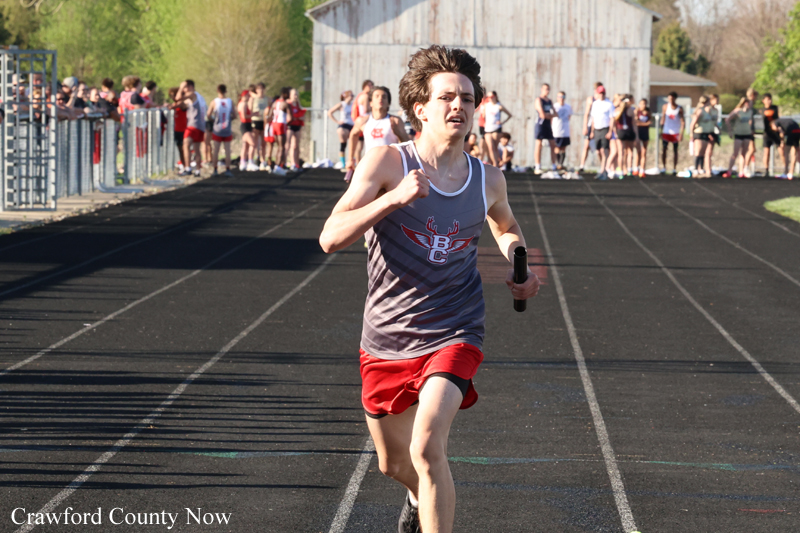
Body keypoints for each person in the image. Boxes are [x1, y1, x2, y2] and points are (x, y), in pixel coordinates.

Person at [318, 44, 540, 533]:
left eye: (466, 97)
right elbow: (330, 237)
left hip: (455, 329)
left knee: (426, 446)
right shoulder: (385, 164)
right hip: (386, 337)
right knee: (393, 464)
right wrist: (394, 198)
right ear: (420, 108)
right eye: (447, 97)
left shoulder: (488, 179)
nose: (458, 106)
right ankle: (420, 502)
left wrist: (519, 264)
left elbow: (505, 227)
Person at [346, 85, 409, 179]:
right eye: (377, 96)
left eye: (384, 97)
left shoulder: (395, 121)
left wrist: (399, 134)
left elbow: (407, 144)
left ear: (388, 103)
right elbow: (353, 135)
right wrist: (350, 159)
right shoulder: (363, 121)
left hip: (391, 168)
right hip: (370, 167)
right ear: (370, 102)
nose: (381, 99)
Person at [178, 80, 205, 177]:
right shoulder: (200, 96)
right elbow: (183, 105)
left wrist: (180, 88)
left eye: (185, 87)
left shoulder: (192, 94)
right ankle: (198, 170)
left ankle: (188, 168)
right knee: (197, 149)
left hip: (193, 125)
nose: (184, 90)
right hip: (201, 126)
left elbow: (178, 98)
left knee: (185, 145)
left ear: (189, 87)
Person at [724, 97, 755, 178]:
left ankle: (741, 172)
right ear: (745, 103)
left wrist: (751, 129)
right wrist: (730, 131)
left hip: (747, 134)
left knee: (743, 154)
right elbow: (727, 119)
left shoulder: (750, 112)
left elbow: (750, 121)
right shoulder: (738, 111)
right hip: (738, 134)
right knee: (735, 153)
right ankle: (729, 171)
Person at [207, 84, 234, 176]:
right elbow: (234, 115)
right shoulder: (230, 101)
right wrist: (229, 119)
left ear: (217, 91)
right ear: (226, 91)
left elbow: (208, 115)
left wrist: (214, 120)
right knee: (227, 150)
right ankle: (228, 169)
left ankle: (215, 170)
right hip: (227, 129)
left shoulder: (214, 102)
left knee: (216, 150)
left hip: (217, 129)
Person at [589, 86, 615, 180]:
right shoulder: (595, 104)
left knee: (604, 150)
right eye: (600, 93)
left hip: (605, 128)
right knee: (598, 151)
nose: (601, 95)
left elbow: (612, 118)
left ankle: (603, 171)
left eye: (603, 93)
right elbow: (593, 118)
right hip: (597, 129)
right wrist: (592, 131)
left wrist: (610, 131)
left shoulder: (609, 104)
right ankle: (602, 167)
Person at [482, 91, 511, 168]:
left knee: (495, 147)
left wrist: (502, 122)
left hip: (496, 129)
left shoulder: (499, 106)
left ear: (495, 96)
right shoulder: (486, 105)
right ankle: (494, 164)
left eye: (491, 97)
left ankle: (496, 164)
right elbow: (483, 116)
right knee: (490, 147)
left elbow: (509, 115)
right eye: (488, 97)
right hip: (488, 129)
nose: (490, 98)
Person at [327, 90, 356, 169]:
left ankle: (353, 161)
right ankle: (343, 163)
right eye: (351, 95)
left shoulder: (353, 105)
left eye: (353, 95)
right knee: (343, 144)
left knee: (353, 144)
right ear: (346, 96)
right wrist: (337, 121)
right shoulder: (342, 104)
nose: (352, 97)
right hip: (344, 125)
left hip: (352, 125)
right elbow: (330, 112)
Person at [267, 87, 292, 173]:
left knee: (278, 146)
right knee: (282, 147)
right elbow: (290, 118)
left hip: (274, 124)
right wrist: (287, 124)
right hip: (281, 124)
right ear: (285, 94)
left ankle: (277, 165)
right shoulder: (285, 104)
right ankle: (278, 166)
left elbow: (269, 116)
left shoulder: (274, 103)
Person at [579, 82, 603, 172]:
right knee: (586, 146)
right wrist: (585, 127)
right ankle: (582, 166)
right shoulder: (591, 99)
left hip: (599, 125)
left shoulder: (604, 99)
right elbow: (586, 114)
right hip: (590, 125)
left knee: (600, 148)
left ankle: (603, 166)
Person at [659, 92, 684, 174]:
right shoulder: (665, 107)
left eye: (672, 98)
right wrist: (661, 131)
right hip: (666, 131)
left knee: (675, 150)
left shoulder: (679, 108)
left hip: (675, 132)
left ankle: (674, 168)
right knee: (664, 149)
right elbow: (663, 118)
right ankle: (664, 167)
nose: (670, 100)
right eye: (669, 98)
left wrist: (681, 133)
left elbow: (682, 121)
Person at [533, 83, 556, 174]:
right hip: (540, 124)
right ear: (542, 89)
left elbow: (555, 114)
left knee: (552, 144)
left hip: (548, 125)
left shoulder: (549, 101)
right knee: (539, 144)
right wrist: (549, 115)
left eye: (548, 89)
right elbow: (542, 115)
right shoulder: (539, 100)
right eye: (545, 89)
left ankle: (554, 165)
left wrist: (549, 115)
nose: (547, 91)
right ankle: (538, 166)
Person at [689, 96, 714, 178]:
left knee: (703, 152)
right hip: (699, 133)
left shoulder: (707, 111)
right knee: (698, 151)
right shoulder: (700, 111)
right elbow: (693, 123)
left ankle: (701, 169)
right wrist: (691, 134)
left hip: (706, 133)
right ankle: (696, 169)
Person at [351, 80, 374, 166]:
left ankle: (358, 162)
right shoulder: (365, 96)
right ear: (365, 86)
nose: (371, 87)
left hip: (361, 120)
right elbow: (366, 109)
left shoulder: (360, 95)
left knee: (359, 145)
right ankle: (359, 162)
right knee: (361, 145)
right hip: (364, 121)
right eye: (369, 85)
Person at [761, 93, 784, 177]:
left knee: (781, 151)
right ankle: (766, 170)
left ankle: (786, 169)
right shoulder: (762, 110)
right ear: (763, 101)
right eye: (767, 99)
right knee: (766, 152)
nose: (769, 101)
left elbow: (779, 118)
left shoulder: (775, 108)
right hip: (767, 133)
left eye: (770, 99)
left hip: (776, 133)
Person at [614, 94, 636, 177]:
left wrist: (615, 133)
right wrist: (636, 134)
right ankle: (629, 169)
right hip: (629, 131)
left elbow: (614, 123)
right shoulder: (630, 110)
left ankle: (622, 169)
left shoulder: (617, 110)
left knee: (621, 152)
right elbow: (634, 123)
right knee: (629, 151)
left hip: (621, 132)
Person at [286, 87, 307, 170]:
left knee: (296, 145)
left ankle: (296, 163)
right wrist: (296, 118)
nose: (296, 96)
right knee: (289, 144)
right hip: (290, 126)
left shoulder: (298, 104)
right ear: (290, 95)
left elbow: (302, 115)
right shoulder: (288, 104)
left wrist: (299, 118)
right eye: (294, 94)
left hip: (297, 126)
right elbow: (289, 117)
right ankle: (291, 162)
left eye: (296, 94)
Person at [169, 86, 188, 172]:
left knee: (185, 149)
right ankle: (184, 166)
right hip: (177, 130)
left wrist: (171, 107)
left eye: (174, 95)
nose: (172, 98)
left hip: (184, 130)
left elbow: (182, 105)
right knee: (180, 149)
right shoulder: (174, 105)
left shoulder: (182, 104)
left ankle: (188, 166)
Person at [552, 91, 572, 170]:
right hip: (556, 131)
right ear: (557, 97)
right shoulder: (554, 106)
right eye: (560, 97)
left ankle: (561, 164)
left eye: (563, 97)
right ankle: (557, 164)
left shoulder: (568, 107)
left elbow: (569, 117)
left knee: (563, 148)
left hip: (565, 131)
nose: (561, 99)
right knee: (556, 148)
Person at [251, 83, 270, 169]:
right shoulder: (253, 99)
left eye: (262, 88)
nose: (261, 90)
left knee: (263, 143)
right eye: (259, 89)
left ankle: (263, 160)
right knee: (254, 143)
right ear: (256, 90)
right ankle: (253, 159)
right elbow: (249, 111)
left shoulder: (267, 99)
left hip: (264, 121)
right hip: (255, 121)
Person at [238, 89, 256, 171]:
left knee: (245, 145)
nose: (249, 97)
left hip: (247, 125)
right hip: (245, 125)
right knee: (253, 143)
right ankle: (250, 162)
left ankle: (243, 163)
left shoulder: (242, 103)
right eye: (248, 96)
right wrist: (254, 114)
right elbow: (244, 116)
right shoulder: (243, 104)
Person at [635, 98, 651, 178]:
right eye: (642, 103)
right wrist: (645, 124)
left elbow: (650, 122)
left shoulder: (648, 112)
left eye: (645, 103)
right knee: (638, 151)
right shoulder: (637, 112)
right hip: (638, 133)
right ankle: (635, 169)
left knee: (644, 152)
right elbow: (636, 122)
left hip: (645, 133)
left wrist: (645, 124)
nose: (643, 105)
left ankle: (642, 170)